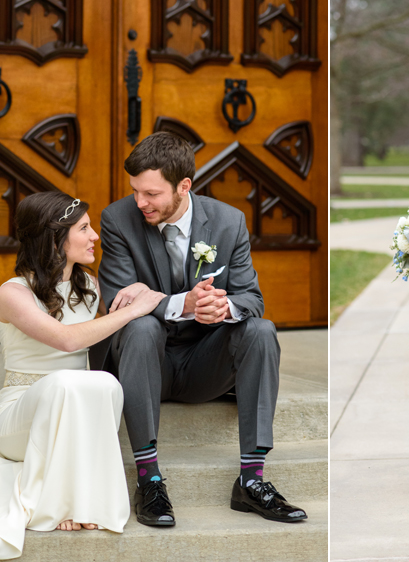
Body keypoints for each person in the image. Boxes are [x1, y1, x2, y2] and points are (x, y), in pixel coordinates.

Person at [91, 131, 307, 527]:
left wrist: (223, 307)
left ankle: (252, 480)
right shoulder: (118, 220)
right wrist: (179, 304)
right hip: (141, 362)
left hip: (204, 363)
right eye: (136, 191)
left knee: (260, 330)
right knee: (139, 328)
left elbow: (251, 299)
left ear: (184, 186)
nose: (140, 202)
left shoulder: (228, 222)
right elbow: (118, 301)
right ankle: (149, 480)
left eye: (151, 194)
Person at [0, 192, 166, 559]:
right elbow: (66, 340)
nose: (95, 236)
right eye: (84, 228)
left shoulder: (87, 287)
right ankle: (59, 500)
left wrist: (136, 291)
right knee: (63, 383)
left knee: (105, 383)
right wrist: (131, 311)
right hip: (19, 421)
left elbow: (105, 326)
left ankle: (78, 500)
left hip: (72, 415)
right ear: (55, 238)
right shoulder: (13, 293)